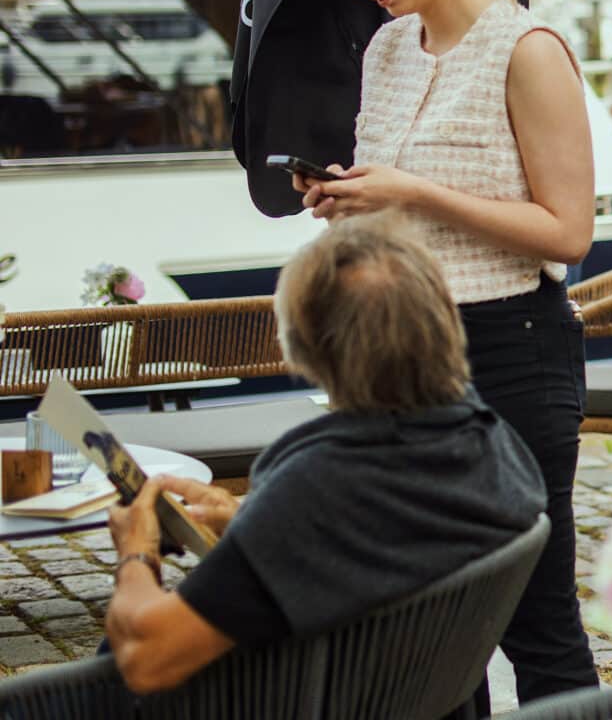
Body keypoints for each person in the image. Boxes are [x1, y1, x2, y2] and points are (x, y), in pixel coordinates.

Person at [295, 0, 597, 701]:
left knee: (536, 618)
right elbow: (396, 200)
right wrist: (351, 198)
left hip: (511, 350)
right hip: (401, 359)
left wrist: (413, 191)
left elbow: (568, 232)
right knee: (430, 622)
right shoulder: (386, 52)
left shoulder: (528, 50)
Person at [104, 214, 545, 695]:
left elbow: (147, 659)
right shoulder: (489, 443)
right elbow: (374, 545)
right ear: (442, 320)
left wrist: (137, 552)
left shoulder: (324, 482)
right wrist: (244, 521)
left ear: (305, 348)